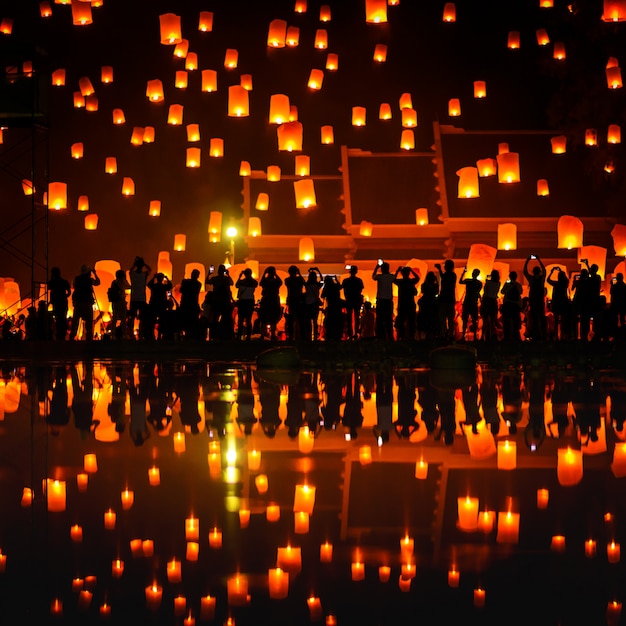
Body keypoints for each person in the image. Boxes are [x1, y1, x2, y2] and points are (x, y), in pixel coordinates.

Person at [69, 264, 100, 340]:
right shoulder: (89, 280)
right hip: (87, 303)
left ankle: (72, 338)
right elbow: (98, 282)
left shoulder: (77, 279)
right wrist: (94, 273)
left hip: (78, 303)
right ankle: (89, 339)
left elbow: (74, 286)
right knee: (89, 323)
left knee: (75, 322)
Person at [206, 264, 234, 340]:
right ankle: (227, 335)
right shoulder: (226, 279)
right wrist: (228, 275)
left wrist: (209, 274)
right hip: (225, 301)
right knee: (227, 319)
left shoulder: (215, 279)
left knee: (214, 319)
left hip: (216, 301)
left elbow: (207, 281)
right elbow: (232, 283)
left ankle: (214, 335)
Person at [523, 254, 547, 340]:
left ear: (533, 271)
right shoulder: (541, 279)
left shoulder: (531, 279)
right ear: (539, 271)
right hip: (540, 300)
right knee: (541, 317)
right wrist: (539, 260)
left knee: (533, 318)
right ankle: (542, 334)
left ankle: (534, 333)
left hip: (533, 300)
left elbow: (525, 271)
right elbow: (544, 270)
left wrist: (527, 261)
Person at [393, 266, 419, 340]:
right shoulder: (411, 282)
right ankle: (411, 335)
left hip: (402, 304)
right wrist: (411, 270)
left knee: (401, 321)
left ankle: (401, 336)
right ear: (408, 273)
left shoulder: (401, 282)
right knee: (411, 321)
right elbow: (417, 278)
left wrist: (397, 271)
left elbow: (393, 279)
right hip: (410, 303)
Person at [128, 256, 151, 339]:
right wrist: (144, 263)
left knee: (132, 316)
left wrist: (135, 264)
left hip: (134, 298)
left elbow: (130, 271)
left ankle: (131, 333)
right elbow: (150, 270)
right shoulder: (144, 275)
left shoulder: (133, 274)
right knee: (142, 317)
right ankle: (141, 334)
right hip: (142, 298)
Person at [372, 260, 395, 340]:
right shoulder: (391, 277)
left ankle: (381, 336)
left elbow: (373, 276)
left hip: (381, 300)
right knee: (388, 319)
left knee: (380, 319)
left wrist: (376, 268)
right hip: (388, 300)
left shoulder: (380, 277)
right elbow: (394, 278)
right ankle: (390, 336)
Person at [547, 266, 571, 340]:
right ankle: (563, 334)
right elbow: (566, 278)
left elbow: (548, 280)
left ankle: (556, 335)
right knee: (563, 319)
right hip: (564, 302)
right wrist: (560, 271)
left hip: (556, 303)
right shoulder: (565, 283)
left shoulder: (556, 284)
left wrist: (551, 272)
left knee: (556, 319)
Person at [258, 266, 282, 340]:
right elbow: (280, 282)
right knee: (273, 320)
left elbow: (261, 283)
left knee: (263, 319)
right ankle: (272, 335)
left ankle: (262, 335)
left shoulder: (265, 281)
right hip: (274, 300)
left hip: (266, 300)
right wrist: (275, 274)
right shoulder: (276, 282)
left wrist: (264, 273)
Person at [146, 272, 173, 339]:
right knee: (161, 321)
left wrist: (153, 277)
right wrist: (167, 279)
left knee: (153, 321)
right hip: (161, 305)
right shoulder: (164, 287)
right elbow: (170, 286)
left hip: (154, 304)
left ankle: (152, 335)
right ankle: (159, 335)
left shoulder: (154, 286)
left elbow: (149, 284)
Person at [435, 259, 457, 340]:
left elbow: (444, 278)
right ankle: (450, 334)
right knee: (450, 319)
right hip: (450, 299)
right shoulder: (453, 275)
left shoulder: (449, 275)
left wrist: (439, 269)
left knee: (443, 318)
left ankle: (444, 334)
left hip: (444, 299)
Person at [47, 266, 71, 340]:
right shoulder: (64, 282)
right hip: (63, 302)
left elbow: (49, 286)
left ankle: (59, 334)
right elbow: (69, 292)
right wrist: (65, 296)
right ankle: (62, 333)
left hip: (57, 303)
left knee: (58, 318)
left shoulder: (53, 282)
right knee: (63, 318)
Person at [341, 265, 365, 339]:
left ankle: (350, 333)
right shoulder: (359, 281)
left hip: (349, 300)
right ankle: (357, 332)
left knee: (349, 317)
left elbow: (343, 289)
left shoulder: (346, 281)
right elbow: (361, 290)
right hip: (356, 300)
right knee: (357, 317)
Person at [235, 268, 258, 340]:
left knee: (240, 319)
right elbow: (256, 284)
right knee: (248, 319)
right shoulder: (253, 282)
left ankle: (239, 334)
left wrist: (239, 276)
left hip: (242, 301)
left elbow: (236, 285)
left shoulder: (242, 282)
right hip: (250, 301)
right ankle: (248, 335)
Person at [179, 268, 202, 339]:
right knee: (191, 322)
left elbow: (181, 290)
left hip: (186, 304)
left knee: (185, 321)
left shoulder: (186, 282)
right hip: (192, 305)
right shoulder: (198, 284)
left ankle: (186, 336)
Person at [459, 267, 482, 340]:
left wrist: (463, 272)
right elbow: (478, 292)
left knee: (465, 320)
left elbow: (460, 281)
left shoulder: (468, 281)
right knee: (474, 320)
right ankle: (475, 336)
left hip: (467, 302)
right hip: (473, 302)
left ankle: (463, 336)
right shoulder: (479, 283)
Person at [284, 264, 305, 340]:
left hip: (291, 300)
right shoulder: (299, 280)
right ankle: (301, 336)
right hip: (299, 300)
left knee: (291, 319)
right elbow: (303, 281)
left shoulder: (287, 280)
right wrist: (299, 273)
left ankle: (290, 335)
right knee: (300, 319)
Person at [108, 268, 131, 339]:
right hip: (121, 301)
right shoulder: (122, 281)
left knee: (114, 318)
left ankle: (113, 334)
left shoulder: (114, 282)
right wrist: (126, 279)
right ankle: (124, 334)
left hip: (115, 302)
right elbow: (129, 286)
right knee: (123, 318)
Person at [500, 270, 523, 340]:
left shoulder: (507, 284)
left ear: (510, 277)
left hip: (508, 304)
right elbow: (520, 292)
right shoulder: (518, 285)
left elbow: (502, 291)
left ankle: (507, 336)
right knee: (515, 321)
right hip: (516, 305)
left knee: (507, 321)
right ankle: (516, 336)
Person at [416, 270, 439, 340]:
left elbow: (423, 291)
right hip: (432, 302)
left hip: (425, 303)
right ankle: (431, 333)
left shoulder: (424, 285)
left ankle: (426, 333)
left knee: (425, 319)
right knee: (432, 319)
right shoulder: (435, 286)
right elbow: (436, 291)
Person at [321, 274, 343, 340]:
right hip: (337, 306)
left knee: (330, 321)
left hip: (330, 306)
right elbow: (340, 287)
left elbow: (322, 296)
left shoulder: (327, 287)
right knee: (337, 321)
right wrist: (336, 280)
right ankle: (337, 335)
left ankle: (330, 335)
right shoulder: (335, 286)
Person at [303, 267, 323, 340]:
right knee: (315, 321)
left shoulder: (307, 285)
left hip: (307, 304)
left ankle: (308, 336)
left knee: (308, 321)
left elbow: (302, 280)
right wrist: (318, 271)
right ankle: (314, 336)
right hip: (315, 304)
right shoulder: (317, 285)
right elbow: (322, 281)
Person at [480, 269, 501, 341]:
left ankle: (482, 336)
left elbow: (485, 291)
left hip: (486, 301)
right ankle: (492, 336)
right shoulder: (498, 283)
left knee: (485, 321)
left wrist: (486, 281)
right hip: (493, 301)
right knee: (492, 321)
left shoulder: (488, 283)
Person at [610, 272, 626, 339]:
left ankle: (615, 333)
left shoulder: (615, 286)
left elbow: (611, 293)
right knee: (622, 319)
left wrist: (611, 285)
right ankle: (623, 332)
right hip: (623, 304)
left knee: (615, 319)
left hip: (616, 304)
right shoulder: (624, 286)